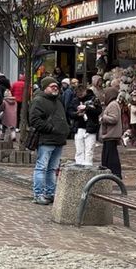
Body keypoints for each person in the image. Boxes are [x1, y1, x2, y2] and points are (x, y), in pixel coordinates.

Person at [28, 77, 69, 205]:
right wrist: (51, 128)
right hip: (46, 139)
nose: (55, 88)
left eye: (56, 86)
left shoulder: (58, 101)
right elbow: (34, 120)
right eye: (52, 86)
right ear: (45, 87)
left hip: (58, 139)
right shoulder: (39, 101)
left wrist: (65, 129)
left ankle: (50, 193)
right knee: (42, 167)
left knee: (52, 169)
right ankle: (38, 194)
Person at [73, 86, 101, 166]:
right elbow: (70, 112)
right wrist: (77, 114)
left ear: (85, 91)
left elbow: (98, 111)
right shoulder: (75, 100)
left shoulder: (94, 99)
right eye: (78, 94)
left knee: (89, 149)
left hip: (90, 127)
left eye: (81, 94)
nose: (80, 96)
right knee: (79, 149)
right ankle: (79, 164)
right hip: (79, 127)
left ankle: (88, 165)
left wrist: (87, 108)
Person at [99, 88, 123, 178]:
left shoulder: (113, 105)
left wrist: (103, 118)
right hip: (109, 134)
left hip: (111, 134)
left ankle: (115, 173)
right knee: (109, 155)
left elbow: (114, 119)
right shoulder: (112, 104)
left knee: (111, 156)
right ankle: (111, 173)